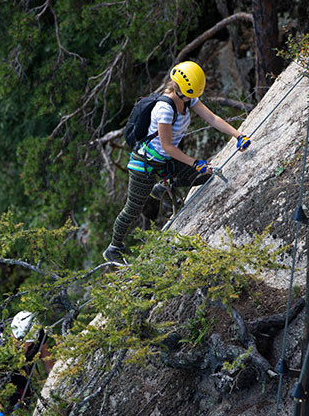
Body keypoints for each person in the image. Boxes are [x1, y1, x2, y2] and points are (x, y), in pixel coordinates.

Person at [103, 60, 251, 264]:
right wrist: (194, 162)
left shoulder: (188, 98)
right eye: (192, 93)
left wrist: (238, 135)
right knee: (133, 208)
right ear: (182, 90)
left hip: (165, 160)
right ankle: (114, 248)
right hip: (145, 164)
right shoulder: (164, 109)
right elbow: (167, 146)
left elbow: (212, 118)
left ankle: (162, 188)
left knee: (204, 175)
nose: (194, 97)